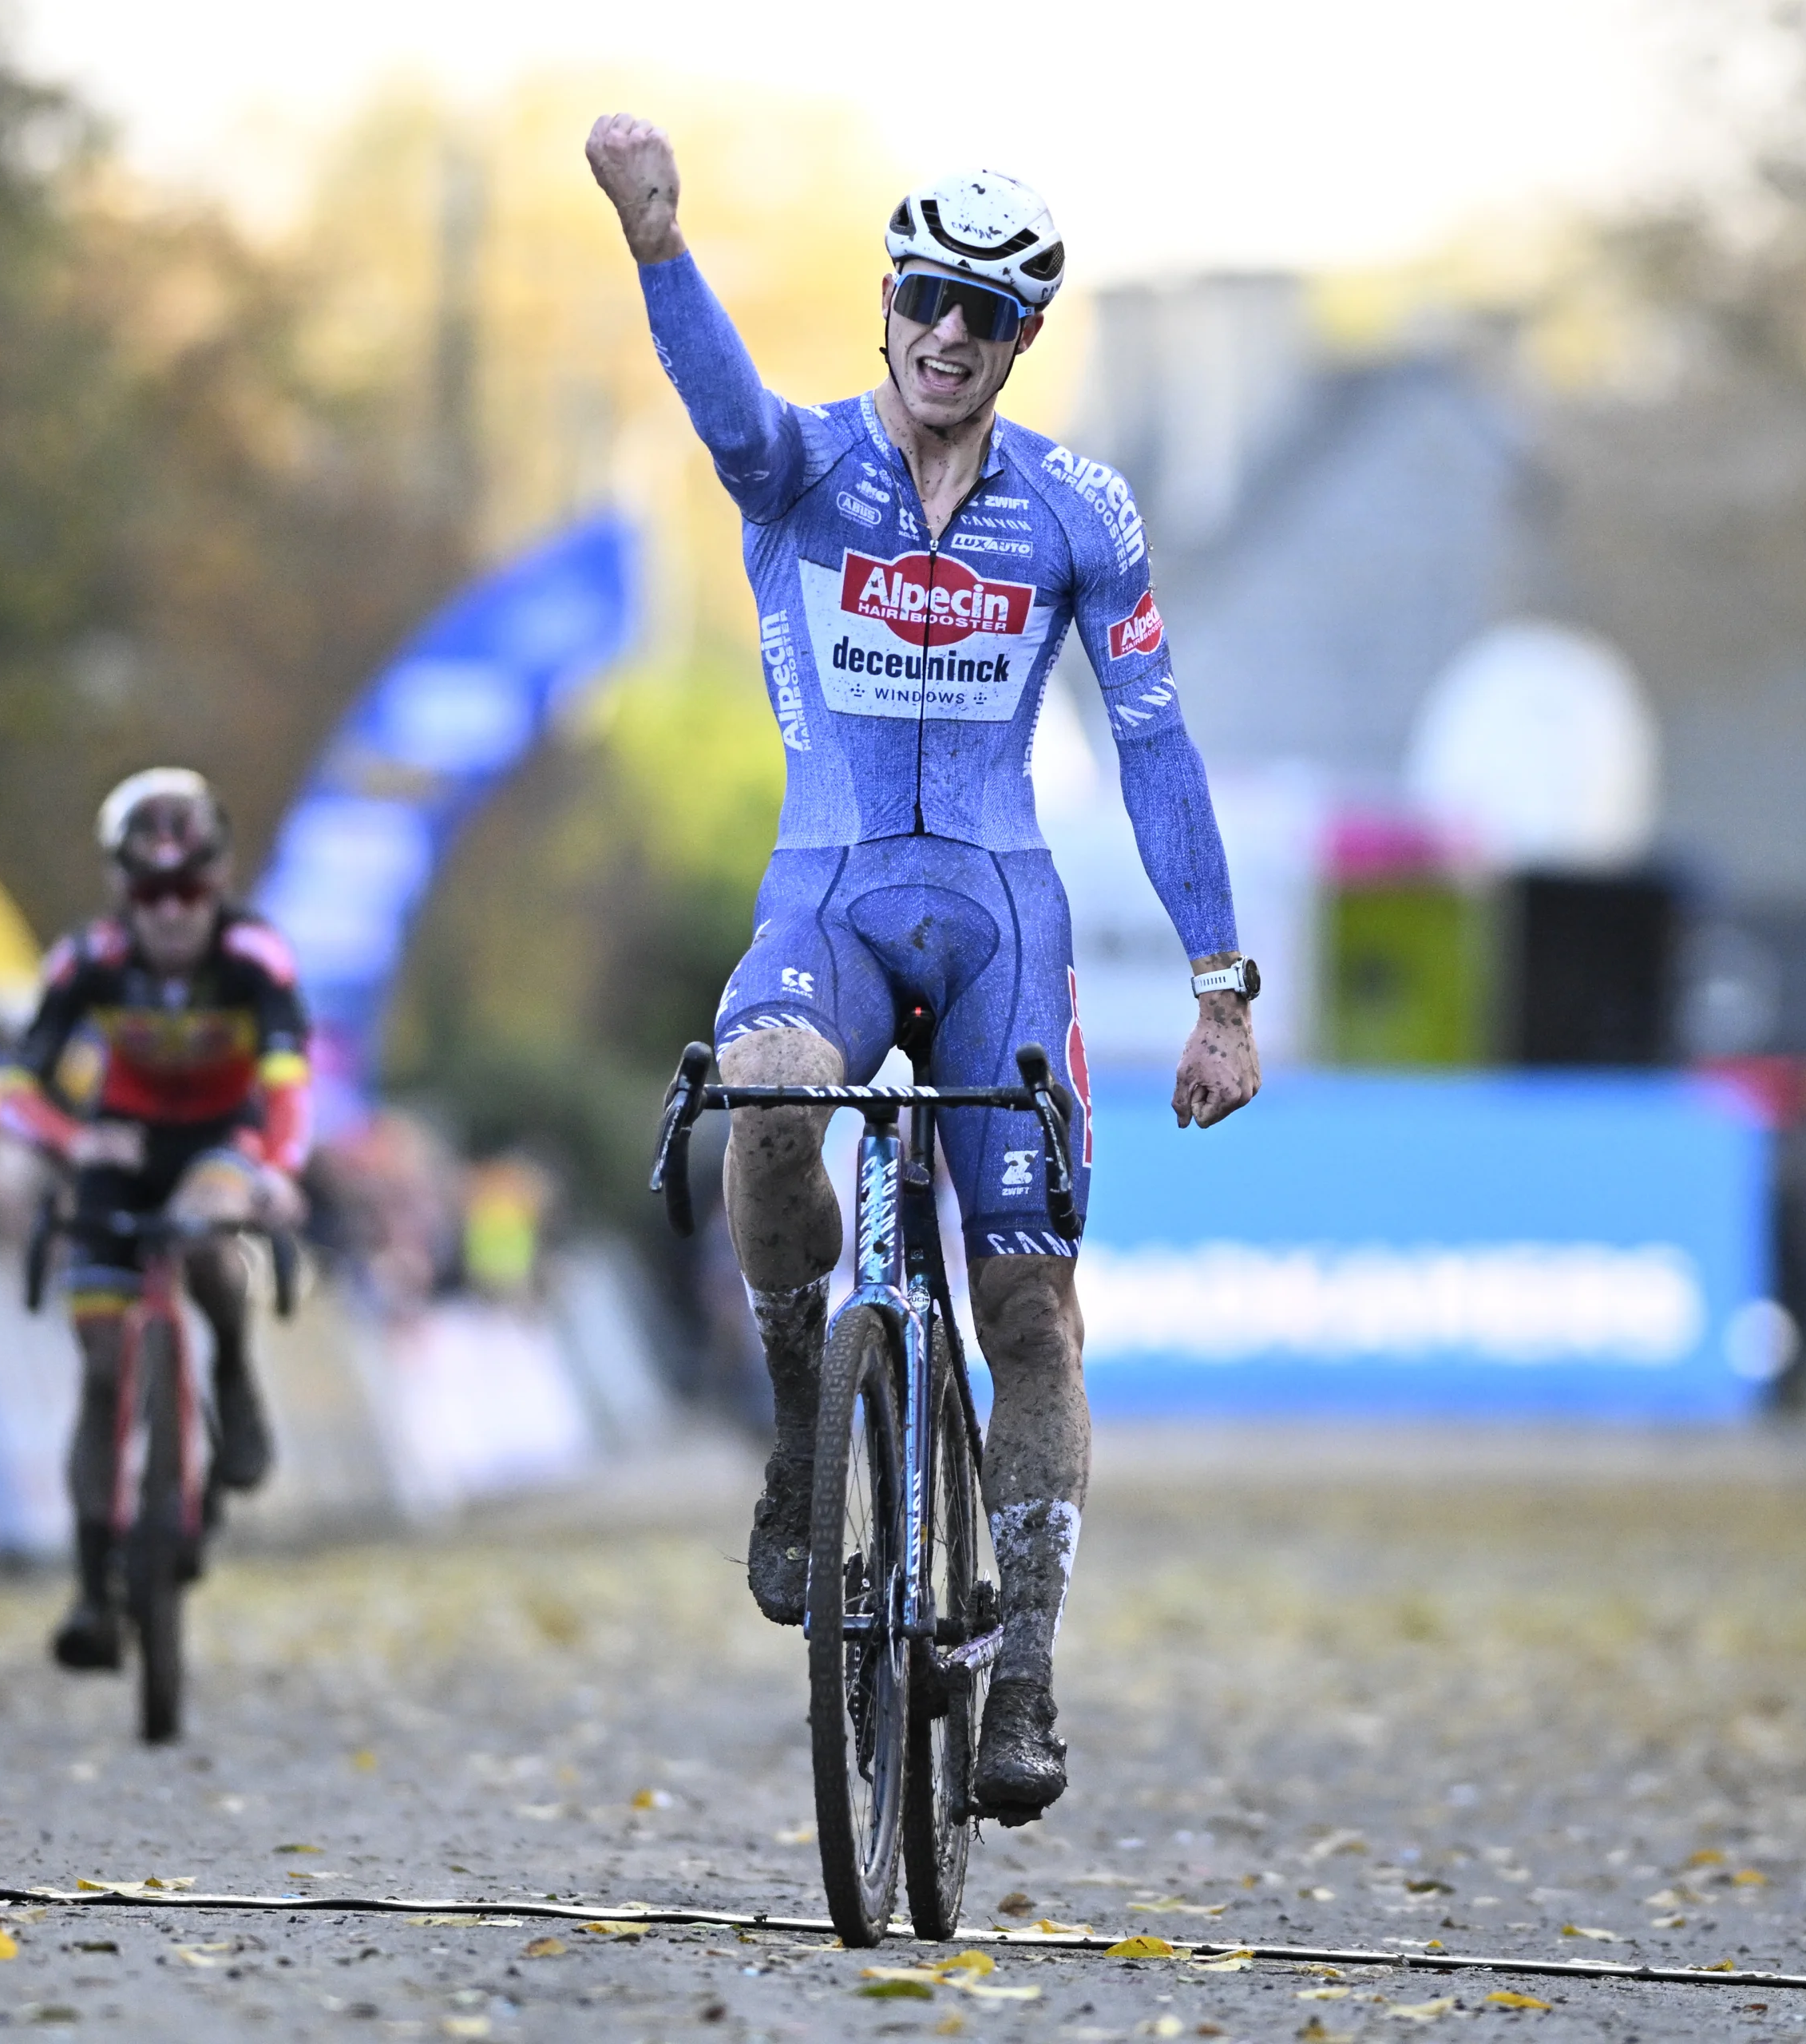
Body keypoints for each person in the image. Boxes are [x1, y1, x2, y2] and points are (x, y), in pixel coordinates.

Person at [587, 117, 1263, 1821]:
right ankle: (810, 1407)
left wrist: (1220, 983)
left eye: (981, 311)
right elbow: (721, 406)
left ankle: (1023, 1666)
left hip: (999, 923)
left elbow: (1158, 745)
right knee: (768, 1109)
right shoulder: (803, 468)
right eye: (920, 297)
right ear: (883, 302)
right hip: (827, 891)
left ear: (1020, 335)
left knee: (1027, 1301)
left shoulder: (1077, 510)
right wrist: (660, 244)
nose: (945, 332)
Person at [0, 767, 312, 1674]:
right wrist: (72, 1142)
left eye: (190, 892)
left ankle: (233, 1367)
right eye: (151, 894)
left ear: (218, 886)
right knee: (101, 1374)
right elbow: (16, 1088)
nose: (172, 913)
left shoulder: (257, 957)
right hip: (119, 1145)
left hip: (221, 1135)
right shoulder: (86, 960)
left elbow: (290, 1084)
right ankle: (92, 1593)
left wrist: (280, 1174)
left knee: (211, 1226)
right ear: (121, 891)